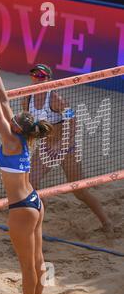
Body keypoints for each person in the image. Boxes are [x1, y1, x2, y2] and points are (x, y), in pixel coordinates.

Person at [0, 46, 53, 294]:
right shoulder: (23, 138)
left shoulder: (10, 140)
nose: (10, 118)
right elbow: (4, 99)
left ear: (16, 127)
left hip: (22, 208)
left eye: (13, 119)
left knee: (27, 268)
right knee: (38, 260)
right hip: (35, 201)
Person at [22, 64, 113, 236]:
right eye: (34, 75)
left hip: (67, 148)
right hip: (46, 148)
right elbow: (29, 125)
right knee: (29, 184)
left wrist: (62, 144)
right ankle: (37, 223)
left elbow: (73, 123)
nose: (36, 78)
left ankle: (106, 221)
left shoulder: (56, 99)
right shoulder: (27, 100)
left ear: (49, 79)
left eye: (41, 76)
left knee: (79, 191)